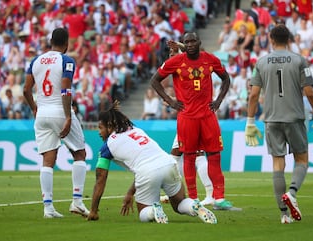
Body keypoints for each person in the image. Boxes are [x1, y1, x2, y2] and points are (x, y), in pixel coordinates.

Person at [245, 24, 313, 224]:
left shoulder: (261, 62)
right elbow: (309, 92)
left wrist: (250, 121)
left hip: (271, 119)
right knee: (302, 159)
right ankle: (292, 192)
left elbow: (254, 94)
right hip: (294, 117)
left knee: (277, 163)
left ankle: (283, 215)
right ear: (289, 39)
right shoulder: (299, 60)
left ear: (271, 39)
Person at [86, 101, 217, 224]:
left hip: (147, 172)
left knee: (143, 212)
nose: (99, 132)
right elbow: (144, 163)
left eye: (100, 128)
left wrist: (93, 211)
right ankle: (193, 206)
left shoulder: (107, 147)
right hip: (168, 163)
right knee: (179, 204)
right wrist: (130, 193)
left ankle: (153, 211)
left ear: (109, 126)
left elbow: (100, 180)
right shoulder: (136, 130)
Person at [150, 31, 233, 210]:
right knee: (189, 157)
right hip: (187, 117)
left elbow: (226, 78)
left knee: (214, 155)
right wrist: (170, 101)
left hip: (207, 116)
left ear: (199, 42)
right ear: (184, 44)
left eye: (193, 41)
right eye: (186, 42)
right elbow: (155, 80)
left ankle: (219, 198)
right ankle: (194, 198)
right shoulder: (175, 62)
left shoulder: (210, 59)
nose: (190, 44)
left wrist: (218, 100)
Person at [23, 28, 90, 218]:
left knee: (47, 161)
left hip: (42, 113)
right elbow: (65, 90)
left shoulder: (36, 61)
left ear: (50, 41)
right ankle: (77, 202)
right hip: (59, 111)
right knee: (80, 153)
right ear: (67, 43)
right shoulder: (66, 61)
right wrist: (68, 116)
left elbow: (26, 90)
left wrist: (35, 108)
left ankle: (48, 208)